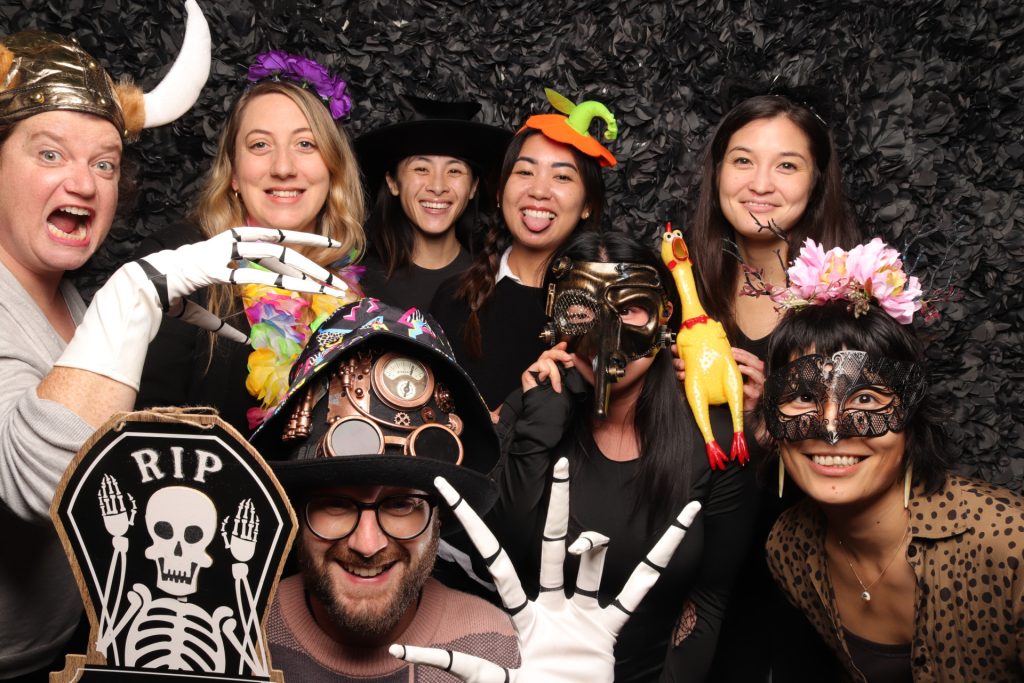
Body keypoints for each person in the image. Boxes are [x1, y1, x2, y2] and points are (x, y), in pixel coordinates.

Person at [0, 14, 345, 681]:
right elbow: (46, 487)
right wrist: (134, 295)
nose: (83, 182)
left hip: (71, 642)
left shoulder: (64, 298)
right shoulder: (103, 298)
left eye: (104, 162)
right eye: (50, 153)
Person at [487, 230, 759, 681]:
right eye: (581, 309)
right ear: (556, 318)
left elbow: (709, 597)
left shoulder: (714, 435)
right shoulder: (530, 408)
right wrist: (537, 425)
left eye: (630, 308)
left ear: (662, 316)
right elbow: (508, 551)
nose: (604, 332)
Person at [761, 237, 1024, 682]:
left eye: (864, 397)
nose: (831, 428)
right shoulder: (789, 548)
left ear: (911, 414)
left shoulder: (1009, 547)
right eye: (804, 397)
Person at [249, 298, 519, 681]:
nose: (367, 544)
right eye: (336, 504)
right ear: (295, 508)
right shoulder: (234, 632)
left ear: (438, 515)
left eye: (401, 505)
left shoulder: (499, 649)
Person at [690, 90, 862, 682]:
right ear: (717, 174)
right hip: (696, 568)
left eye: (786, 164)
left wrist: (779, 419)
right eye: (742, 160)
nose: (760, 182)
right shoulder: (680, 291)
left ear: (816, 182)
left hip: (817, 571)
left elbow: (881, 447)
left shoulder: (853, 300)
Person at [136, 51, 366, 433]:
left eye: (305, 144)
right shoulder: (178, 262)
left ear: (333, 167)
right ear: (234, 174)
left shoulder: (355, 288)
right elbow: (141, 431)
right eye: (260, 145)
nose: (283, 167)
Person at [430, 88, 614, 410]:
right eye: (525, 171)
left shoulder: (609, 305)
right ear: (500, 193)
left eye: (562, 177)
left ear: (587, 204)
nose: (539, 191)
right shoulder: (453, 300)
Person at [355, 95, 510, 311]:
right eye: (421, 169)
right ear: (393, 183)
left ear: (473, 187)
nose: (437, 187)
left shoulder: (494, 278)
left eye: (454, 171)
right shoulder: (356, 283)